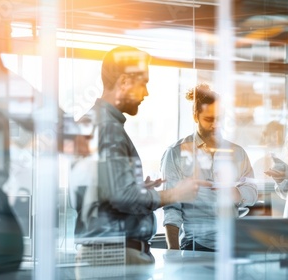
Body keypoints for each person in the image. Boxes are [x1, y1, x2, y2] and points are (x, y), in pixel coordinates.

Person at [73, 46, 211, 279]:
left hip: (108, 256)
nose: (146, 93)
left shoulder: (95, 122)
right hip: (115, 258)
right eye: (143, 83)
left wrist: (136, 187)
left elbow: (107, 193)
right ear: (125, 81)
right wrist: (174, 194)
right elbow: (121, 197)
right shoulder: (107, 128)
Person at [161, 83, 258, 252]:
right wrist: (173, 252)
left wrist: (235, 193)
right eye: (208, 119)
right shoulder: (176, 153)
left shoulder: (237, 153)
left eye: (219, 119)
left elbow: (252, 192)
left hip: (234, 243)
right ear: (195, 116)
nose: (215, 125)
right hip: (195, 245)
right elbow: (172, 208)